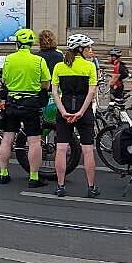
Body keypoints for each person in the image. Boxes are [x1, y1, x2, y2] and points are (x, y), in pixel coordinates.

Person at [0, 28, 51, 187]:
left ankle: (3, 174)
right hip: (31, 103)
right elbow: (45, 84)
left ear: (17, 43)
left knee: (7, 138)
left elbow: (5, 82)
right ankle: (34, 177)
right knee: (34, 142)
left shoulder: (8, 60)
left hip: (12, 102)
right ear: (31, 44)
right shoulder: (39, 61)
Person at [51, 34, 99, 199]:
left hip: (64, 109)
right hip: (83, 111)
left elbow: (55, 92)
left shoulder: (59, 66)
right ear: (80, 49)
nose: (90, 51)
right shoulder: (90, 66)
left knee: (62, 148)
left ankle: (60, 186)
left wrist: (63, 111)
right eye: (88, 48)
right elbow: (91, 92)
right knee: (87, 150)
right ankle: (91, 187)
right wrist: (80, 112)